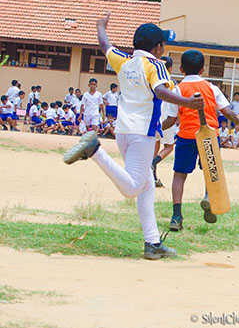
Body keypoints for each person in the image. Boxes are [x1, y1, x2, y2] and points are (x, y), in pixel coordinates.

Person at [63, 13, 204, 260]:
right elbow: (160, 90)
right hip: (143, 132)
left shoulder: (124, 61)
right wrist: (186, 102)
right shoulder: (156, 65)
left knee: (147, 186)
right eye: (163, 45)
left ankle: (153, 243)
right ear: (158, 47)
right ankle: (95, 151)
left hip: (124, 131)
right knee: (132, 189)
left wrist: (100, 26)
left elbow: (105, 46)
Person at [164, 49, 239, 232]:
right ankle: (209, 197)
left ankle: (176, 215)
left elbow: (171, 119)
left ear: (181, 69)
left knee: (180, 175)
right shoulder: (211, 88)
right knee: (211, 172)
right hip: (209, 137)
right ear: (202, 70)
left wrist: (156, 129)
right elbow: (227, 112)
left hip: (186, 136)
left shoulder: (178, 90)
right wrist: (238, 119)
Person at [152, 56, 178, 188]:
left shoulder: (154, 79)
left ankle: (153, 176)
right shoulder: (171, 82)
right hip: (167, 116)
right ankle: (153, 163)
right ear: (170, 68)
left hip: (155, 115)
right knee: (169, 146)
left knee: (155, 146)